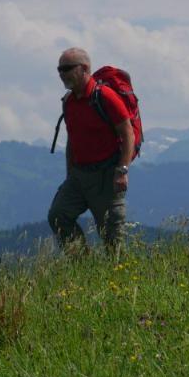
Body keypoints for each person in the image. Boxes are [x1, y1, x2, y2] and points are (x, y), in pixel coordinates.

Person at [47, 48, 135, 252]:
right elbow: (72, 139)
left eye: (67, 68)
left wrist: (122, 170)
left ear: (84, 68)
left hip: (107, 174)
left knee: (113, 237)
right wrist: (70, 174)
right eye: (59, 69)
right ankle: (83, 266)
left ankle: (119, 278)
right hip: (79, 175)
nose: (62, 74)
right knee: (58, 215)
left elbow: (128, 133)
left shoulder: (105, 96)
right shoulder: (69, 102)